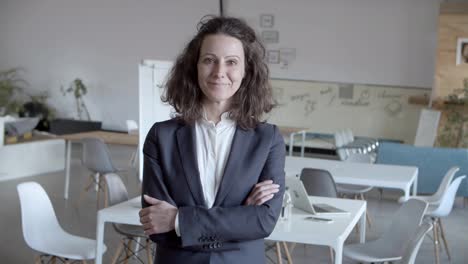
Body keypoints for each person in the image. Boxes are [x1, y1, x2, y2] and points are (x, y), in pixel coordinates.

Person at [138, 16, 285, 264]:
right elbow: (156, 226)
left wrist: (178, 220)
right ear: (194, 66)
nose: (219, 72)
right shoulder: (161, 136)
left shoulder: (268, 139)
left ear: (246, 71)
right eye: (209, 60)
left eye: (231, 62)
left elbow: (263, 222)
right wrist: (238, 218)